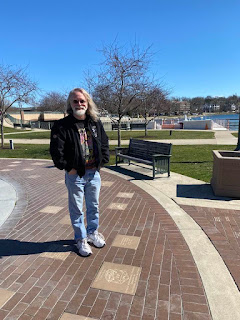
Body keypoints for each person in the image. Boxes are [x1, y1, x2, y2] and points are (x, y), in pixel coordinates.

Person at [50, 88, 109, 256]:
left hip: (93, 174)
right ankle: (81, 239)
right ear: (70, 103)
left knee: (94, 207)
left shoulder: (95, 123)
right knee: (77, 209)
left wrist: (101, 162)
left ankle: (92, 233)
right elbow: (56, 151)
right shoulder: (62, 126)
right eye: (75, 101)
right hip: (75, 175)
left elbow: (104, 143)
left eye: (82, 100)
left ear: (87, 102)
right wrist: (69, 168)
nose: (79, 104)